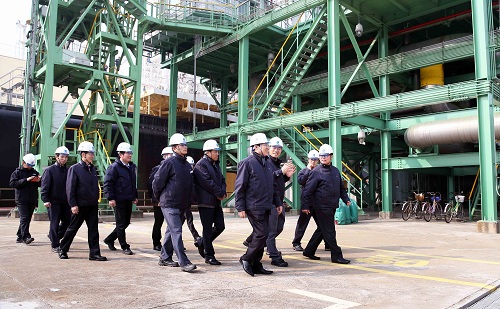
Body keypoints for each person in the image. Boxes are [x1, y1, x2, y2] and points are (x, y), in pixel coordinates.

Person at [243, 137, 295, 267]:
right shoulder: (264, 162)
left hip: (276, 200)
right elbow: (265, 179)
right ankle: (273, 255)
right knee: (270, 231)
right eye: (272, 147)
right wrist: (280, 172)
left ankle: (251, 241)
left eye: (279, 148)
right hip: (267, 201)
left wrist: (285, 177)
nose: (276, 150)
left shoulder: (275, 163)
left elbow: (274, 183)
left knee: (277, 227)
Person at [235, 133, 281, 276]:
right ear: (256, 147)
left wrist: (278, 202)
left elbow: (272, 185)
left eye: (267, 145)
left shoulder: (267, 164)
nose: (268, 147)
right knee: (261, 234)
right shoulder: (247, 163)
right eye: (265, 145)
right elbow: (240, 186)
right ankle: (246, 258)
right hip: (253, 205)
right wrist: (240, 206)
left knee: (263, 234)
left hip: (266, 205)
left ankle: (257, 263)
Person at [153, 133, 197, 272]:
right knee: (177, 231)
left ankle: (165, 258)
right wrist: (158, 198)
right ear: (175, 148)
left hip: (181, 204)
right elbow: (157, 182)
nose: (185, 147)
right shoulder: (169, 163)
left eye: (185, 145)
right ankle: (184, 262)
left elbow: (189, 185)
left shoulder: (186, 165)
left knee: (170, 231)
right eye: (182, 145)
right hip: (169, 203)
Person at [301, 144, 351, 264]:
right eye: (321, 155)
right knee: (330, 231)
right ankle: (336, 255)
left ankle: (309, 251)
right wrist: (305, 205)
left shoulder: (335, 171)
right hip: (321, 206)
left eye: (326, 155)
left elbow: (341, 188)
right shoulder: (316, 172)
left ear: (331, 156)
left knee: (322, 230)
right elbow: (307, 190)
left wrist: (346, 199)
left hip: (332, 205)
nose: (323, 157)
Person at [58, 141, 106, 261]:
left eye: (93, 154)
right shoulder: (75, 169)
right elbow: (70, 188)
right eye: (91, 154)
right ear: (83, 154)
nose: (93, 156)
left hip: (92, 205)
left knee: (94, 230)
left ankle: (94, 253)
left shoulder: (93, 169)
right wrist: (73, 204)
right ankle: (63, 249)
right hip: (80, 205)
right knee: (73, 228)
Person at [193, 139, 226, 265]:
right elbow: (207, 182)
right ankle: (209, 255)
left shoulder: (215, 164)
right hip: (205, 203)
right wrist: (219, 193)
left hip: (215, 202)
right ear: (207, 152)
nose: (217, 154)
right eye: (215, 151)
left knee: (220, 226)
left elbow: (222, 179)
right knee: (207, 229)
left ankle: (202, 242)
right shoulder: (200, 165)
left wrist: (222, 192)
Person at [103, 142, 138, 255]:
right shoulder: (114, 168)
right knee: (121, 224)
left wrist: (135, 196)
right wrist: (111, 198)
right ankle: (124, 246)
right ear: (120, 155)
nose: (130, 155)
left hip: (128, 199)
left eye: (130, 153)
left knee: (126, 222)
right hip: (118, 200)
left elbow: (133, 183)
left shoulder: (131, 167)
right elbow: (108, 184)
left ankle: (109, 239)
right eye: (127, 153)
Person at [41, 146, 71, 252]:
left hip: (66, 202)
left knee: (68, 222)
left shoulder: (68, 171)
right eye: (62, 156)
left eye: (66, 157)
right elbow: (44, 186)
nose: (64, 159)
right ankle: (55, 245)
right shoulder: (50, 170)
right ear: (56, 157)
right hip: (53, 202)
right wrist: (45, 200)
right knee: (54, 223)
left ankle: (55, 236)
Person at [9, 153, 40, 245]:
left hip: (32, 199)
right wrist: (26, 180)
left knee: (27, 218)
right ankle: (26, 237)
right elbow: (12, 184)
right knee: (24, 217)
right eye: (29, 165)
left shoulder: (34, 172)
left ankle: (20, 235)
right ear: (23, 162)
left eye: (31, 165)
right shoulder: (17, 172)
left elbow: (40, 184)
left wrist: (39, 180)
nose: (30, 167)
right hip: (21, 199)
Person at [292, 149, 319, 251]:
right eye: (312, 159)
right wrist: (308, 170)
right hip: (307, 203)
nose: (313, 161)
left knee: (322, 225)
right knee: (302, 224)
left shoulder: (320, 171)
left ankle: (327, 243)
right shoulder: (303, 171)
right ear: (308, 159)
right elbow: (301, 181)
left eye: (315, 159)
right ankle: (296, 243)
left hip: (318, 203)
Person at [149, 146, 173, 251]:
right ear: (165, 156)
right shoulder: (157, 169)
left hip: (170, 201)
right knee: (158, 222)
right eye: (171, 155)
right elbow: (152, 184)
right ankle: (156, 243)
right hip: (159, 202)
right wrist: (156, 199)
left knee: (172, 224)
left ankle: (172, 243)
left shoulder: (174, 167)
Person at [183, 155, 203, 253]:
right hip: (181, 203)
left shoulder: (192, 175)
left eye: (192, 165)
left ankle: (195, 237)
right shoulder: (184, 175)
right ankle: (196, 237)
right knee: (186, 221)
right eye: (190, 165)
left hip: (187, 203)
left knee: (180, 223)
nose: (191, 167)